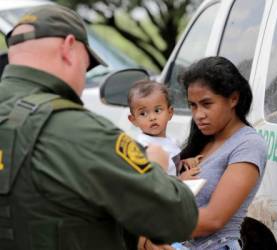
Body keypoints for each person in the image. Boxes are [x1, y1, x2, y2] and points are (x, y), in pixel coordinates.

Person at [0, 4, 199, 250]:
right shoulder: (80, 131)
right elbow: (178, 217)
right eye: (86, 67)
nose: (83, 82)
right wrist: (156, 168)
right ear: (68, 48)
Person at [142, 56, 267, 250]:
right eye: (193, 105)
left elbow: (213, 219)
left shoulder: (248, 144)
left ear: (233, 98)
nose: (198, 115)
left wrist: (151, 230)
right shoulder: (201, 142)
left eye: (207, 104)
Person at [127, 80, 201, 180]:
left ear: (170, 113)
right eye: (143, 113)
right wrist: (181, 180)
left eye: (157, 110)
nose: (152, 117)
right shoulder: (144, 148)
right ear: (133, 120)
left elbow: (170, 166)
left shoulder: (171, 141)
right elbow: (154, 182)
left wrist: (183, 163)